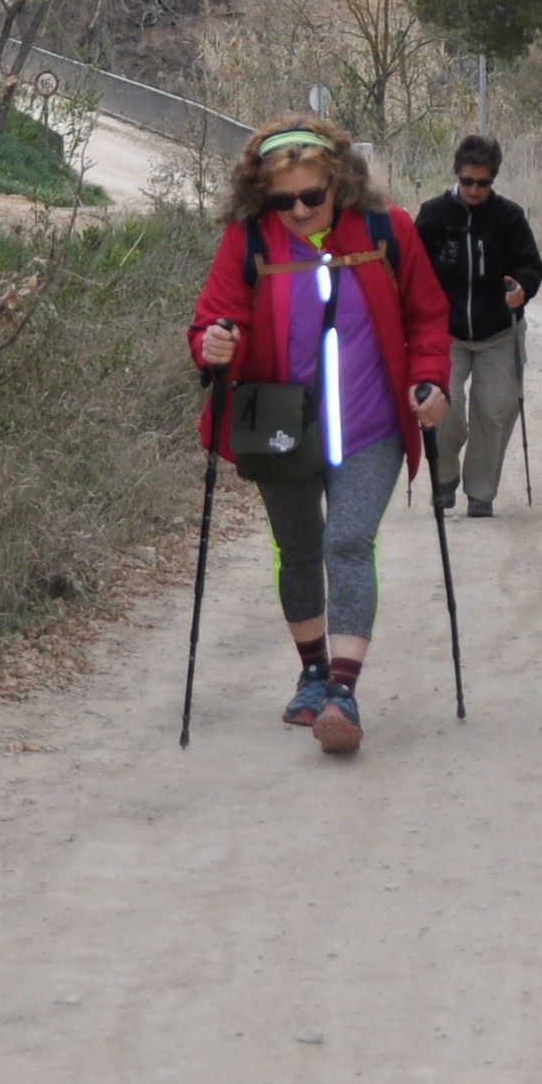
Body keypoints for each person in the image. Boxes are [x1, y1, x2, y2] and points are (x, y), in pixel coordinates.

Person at [188, 119, 450, 757]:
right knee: (298, 548)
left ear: (341, 183)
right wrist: (214, 343)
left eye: (313, 196)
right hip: (282, 426)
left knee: (349, 541)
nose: (300, 210)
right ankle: (312, 673)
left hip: (371, 425)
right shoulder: (249, 238)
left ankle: (342, 692)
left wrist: (429, 379)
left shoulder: (388, 231)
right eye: (284, 200)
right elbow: (215, 319)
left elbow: (426, 316)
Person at [414, 132, 542, 516]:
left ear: (493, 179)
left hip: (500, 331)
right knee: (443, 404)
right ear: (456, 173)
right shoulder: (433, 215)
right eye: (468, 181)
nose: (474, 189)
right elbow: (413, 269)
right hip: (446, 333)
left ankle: (481, 493)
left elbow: (531, 265)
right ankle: (443, 478)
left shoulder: (509, 216)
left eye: (483, 183)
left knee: (495, 410)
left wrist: (522, 288)